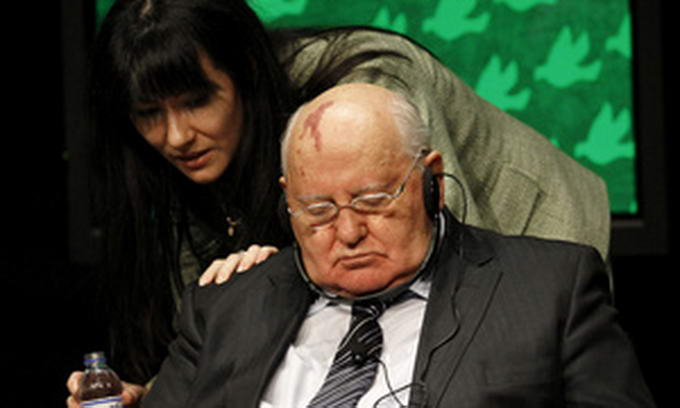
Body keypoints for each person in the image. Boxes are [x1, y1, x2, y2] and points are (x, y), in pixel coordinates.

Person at [73, 0, 610, 400]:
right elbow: (212, 348)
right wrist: (157, 395)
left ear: (245, 74)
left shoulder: (366, 90)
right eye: (149, 113)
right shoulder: (169, 160)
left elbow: (429, 243)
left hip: (522, 220)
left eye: (196, 102)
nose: (176, 136)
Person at [142, 83, 654, 407]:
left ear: (432, 182)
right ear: (287, 201)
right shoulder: (226, 306)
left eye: (372, 201)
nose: (348, 233)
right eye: (317, 210)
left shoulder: (547, 292)